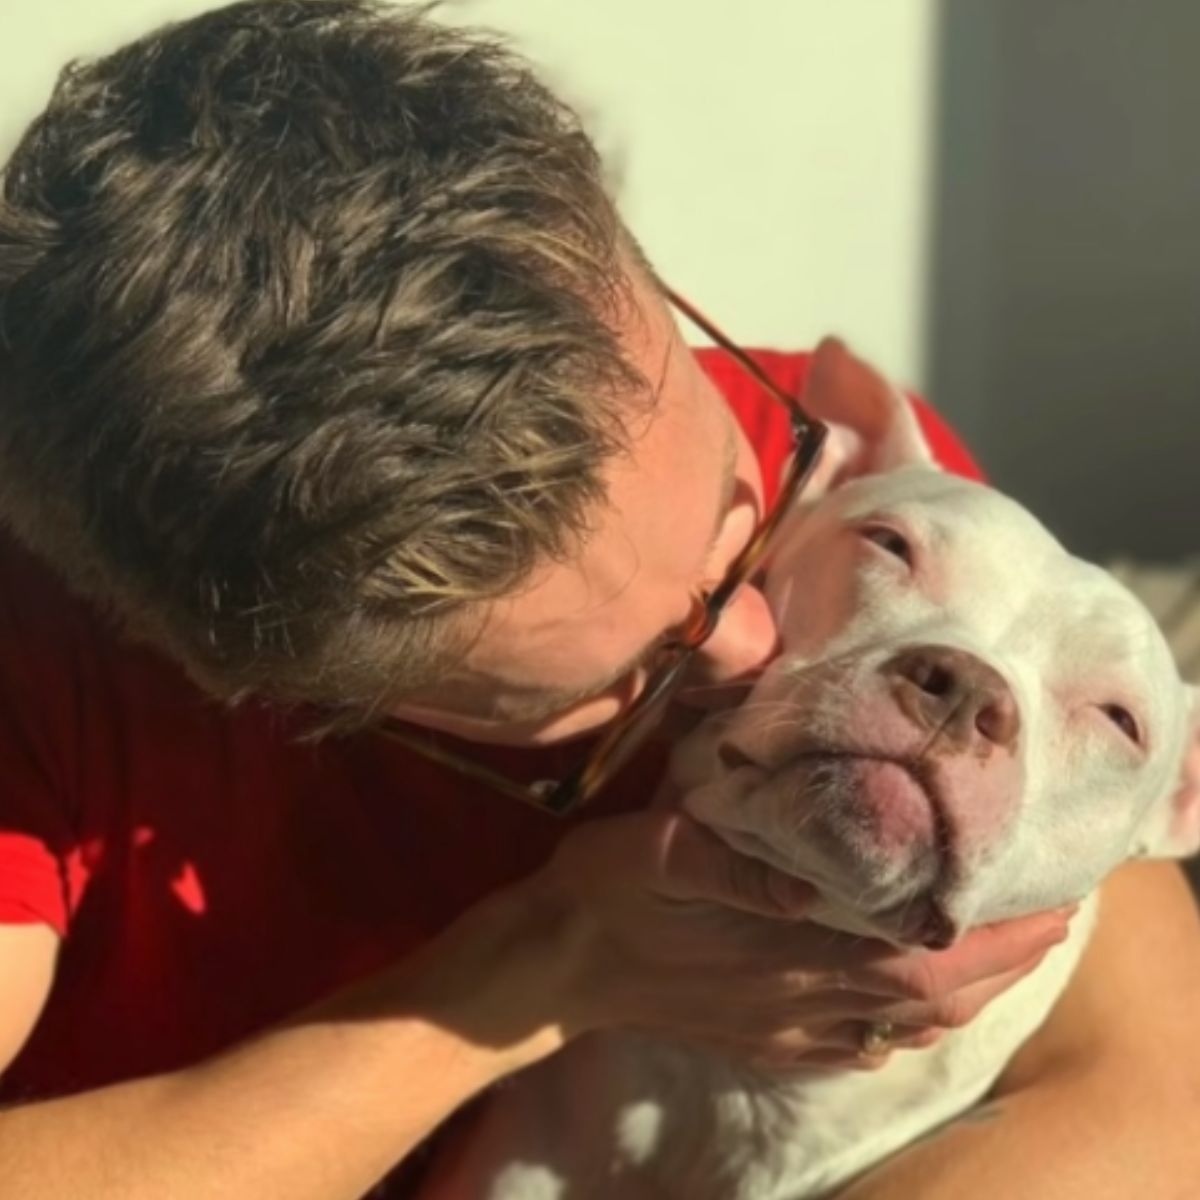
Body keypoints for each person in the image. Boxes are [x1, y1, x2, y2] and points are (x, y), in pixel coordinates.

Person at [0, 2, 1194, 1197]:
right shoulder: (42, 674)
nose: (752, 639)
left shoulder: (856, 497)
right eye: (626, 684)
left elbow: (1153, 1095)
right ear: (280, 696)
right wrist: (542, 967)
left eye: (742, 520)